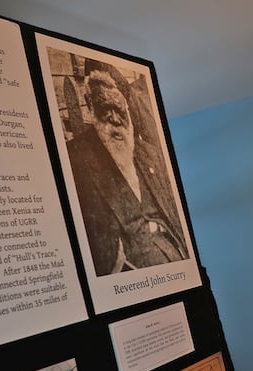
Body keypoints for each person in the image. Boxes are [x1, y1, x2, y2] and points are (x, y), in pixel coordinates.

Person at [66, 58, 188, 276]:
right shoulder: (75, 157)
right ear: (90, 105)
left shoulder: (149, 153)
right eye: (104, 109)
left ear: (128, 107)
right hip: (130, 267)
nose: (112, 118)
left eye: (117, 108)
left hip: (174, 251)